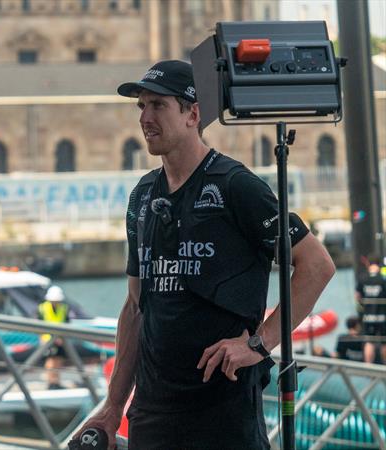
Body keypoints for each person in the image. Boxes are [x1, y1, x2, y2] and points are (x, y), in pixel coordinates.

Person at [75, 60, 335, 449]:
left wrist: (258, 345)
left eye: (157, 105)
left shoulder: (235, 186)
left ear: (192, 114)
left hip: (223, 416)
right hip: (152, 414)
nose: (145, 117)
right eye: (141, 106)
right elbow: (134, 308)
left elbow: (317, 265)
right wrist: (113, 407)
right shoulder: (143, 196)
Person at [38, 285, 70, 389]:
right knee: (51, 361)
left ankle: (56, 382)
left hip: (60, 339)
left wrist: (62, 337)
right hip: (48, 339)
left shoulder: (64, 308)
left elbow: (66, 323)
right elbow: (38, 324)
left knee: (59, 360)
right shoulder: (42, 308)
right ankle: (51, 382)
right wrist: (42, 337)